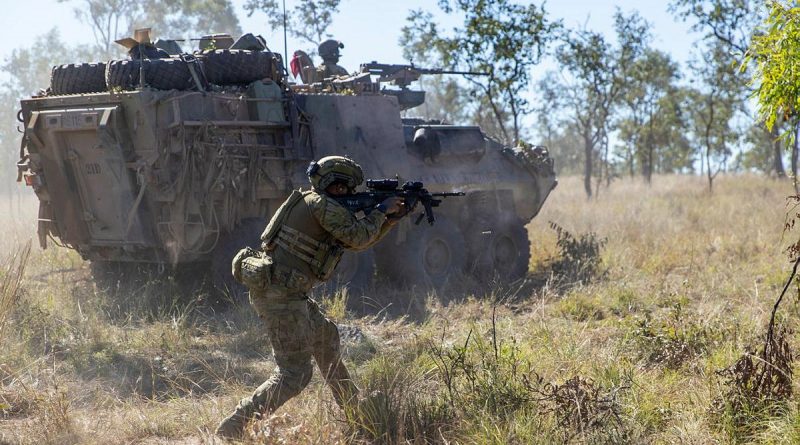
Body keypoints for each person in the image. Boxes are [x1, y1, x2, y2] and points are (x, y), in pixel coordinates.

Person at [215, 155, 406, 440]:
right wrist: (381, 212)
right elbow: (357, 236)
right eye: (343, 188)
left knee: (326, 341)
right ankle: (234, 426)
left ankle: (355, 413)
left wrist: (388, 219)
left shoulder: (316, 203)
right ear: (331, 185)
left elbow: (355, 242)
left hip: (288, 293)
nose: (347, 194)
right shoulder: (320, 205)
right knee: (294, 375)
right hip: (281, 295)